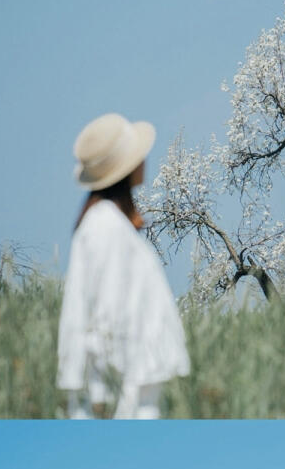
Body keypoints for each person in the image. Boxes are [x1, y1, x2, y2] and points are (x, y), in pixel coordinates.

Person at [57, 112, 189, 419]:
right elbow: (108, 314)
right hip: (127, 391)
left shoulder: (108, 223)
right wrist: (108, 393)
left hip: (137, 384)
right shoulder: (105, 227)